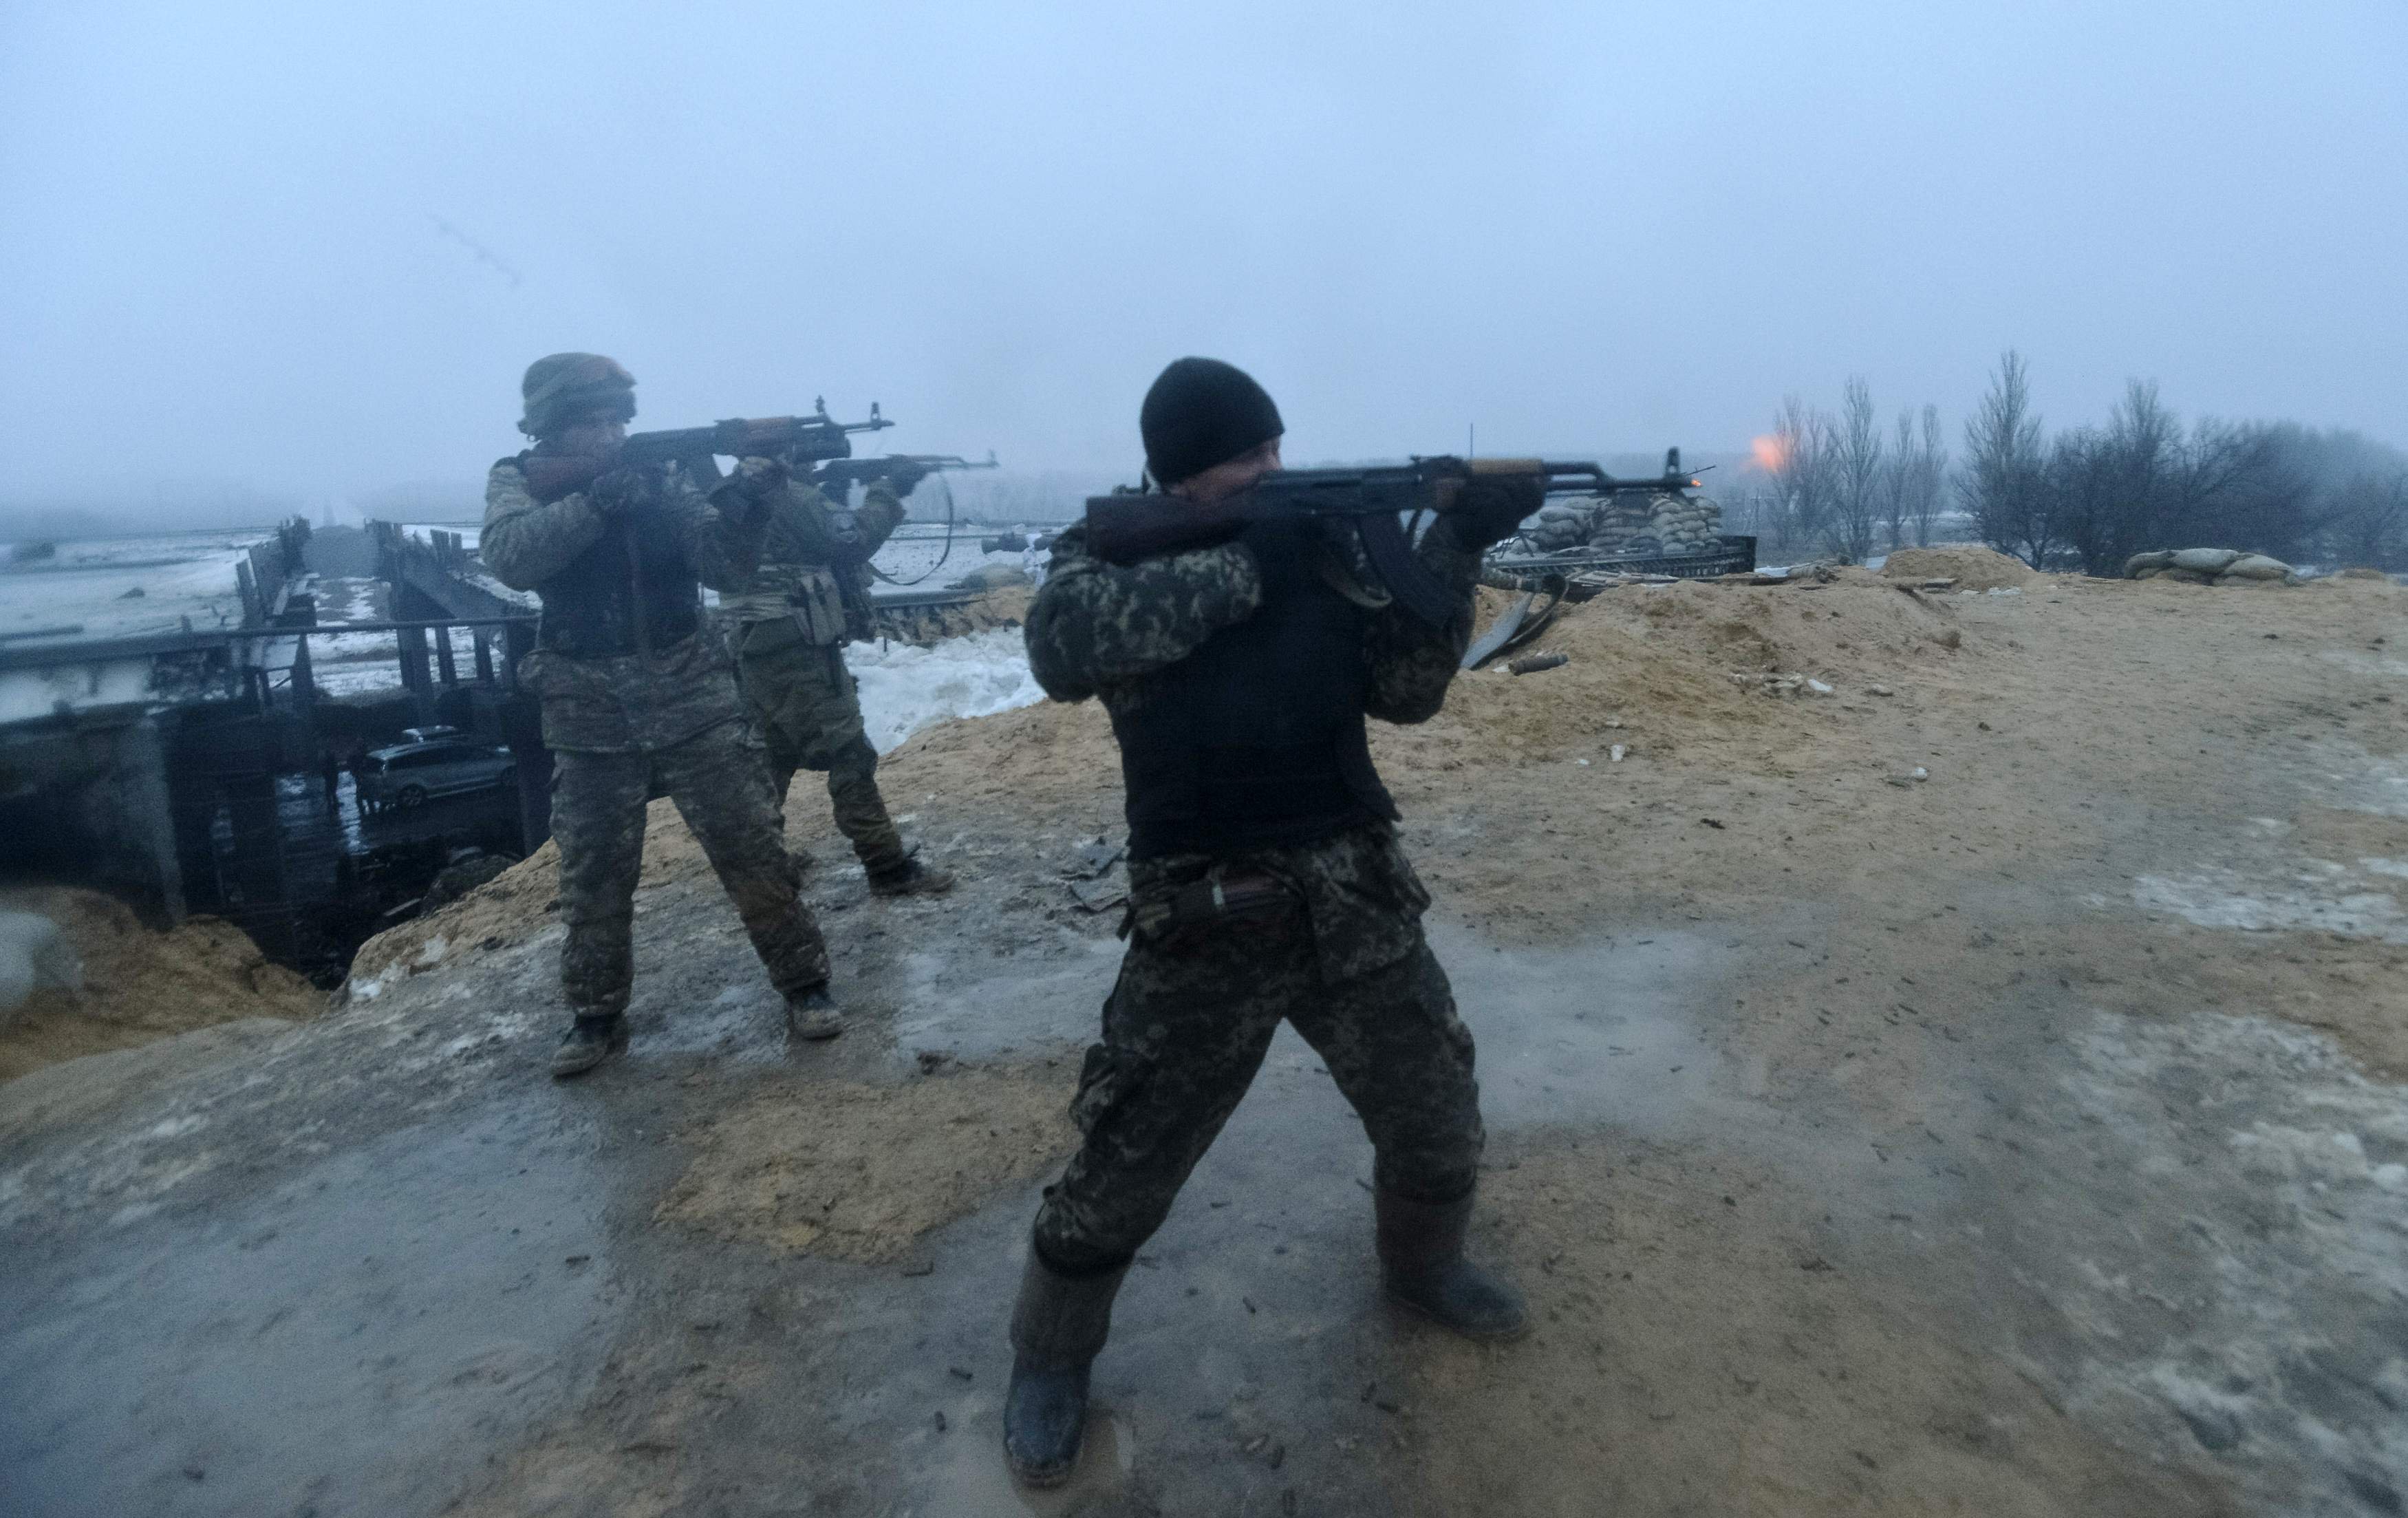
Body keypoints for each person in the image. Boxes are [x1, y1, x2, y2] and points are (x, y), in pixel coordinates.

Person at [998, 357, 1542, 1485]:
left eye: (1279, 452)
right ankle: (1049, 1361)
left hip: (1354, 894)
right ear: (1186, 473)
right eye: (1250, 458)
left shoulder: (1326, 550)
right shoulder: (1107, 558)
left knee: (1438, 1115)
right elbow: (1062, 648)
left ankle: (1424, 1270)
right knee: (1122, 1166)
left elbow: (1407, 689)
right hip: (1205, 915)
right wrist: (1252, 560)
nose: (1274, 471)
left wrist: (1458, 545)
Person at [481, 353, 849, 1078]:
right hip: (586, 709)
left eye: (621, 418)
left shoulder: (667, 478)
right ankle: (594, 1016)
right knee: (593, 874)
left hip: (691, 693)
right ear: (556, 426)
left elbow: (723, 564)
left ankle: (805, 983)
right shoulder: (517, 478)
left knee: (753, 848)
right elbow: (510, 559)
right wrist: (597, 504)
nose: (614, 431)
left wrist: (752, 496)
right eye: (597, 420)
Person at [719, 462, 953, 895]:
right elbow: (851, 540)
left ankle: (761, 865)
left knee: (773, 753)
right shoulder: (786, 493)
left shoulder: (744, 490)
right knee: (849, 753)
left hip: (755, 643)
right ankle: (888, 868)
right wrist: (886, 492)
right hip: (795, 644)